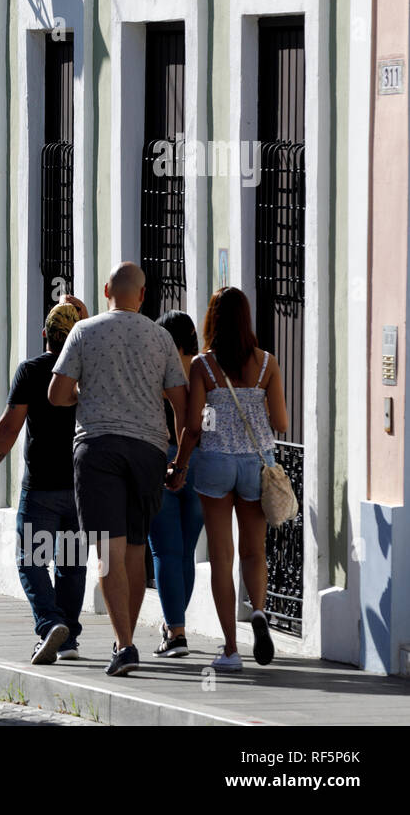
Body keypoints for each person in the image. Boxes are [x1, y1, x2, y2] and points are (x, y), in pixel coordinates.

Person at [48, 262, 188, 676]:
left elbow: (56, 395)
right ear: (142, 296)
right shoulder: (161, 337)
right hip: (148, 450)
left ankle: (125, 645)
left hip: (98, 447)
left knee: (107, 552)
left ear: (107, 289)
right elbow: (181, 405)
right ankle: (122, 640)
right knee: (135, 549)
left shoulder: (84, 331)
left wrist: (83, 392)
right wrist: (180, 461)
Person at [168, 287, 288, 672]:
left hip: (216, 463)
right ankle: (259, 611)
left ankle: (232, 650)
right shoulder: (268, 364)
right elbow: (281, 423)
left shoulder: (203, 366)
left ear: (212, 322)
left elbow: (193, 426)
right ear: (247, 320)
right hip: (256, 463)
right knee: (254, 551)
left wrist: (180, 465)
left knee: (221, 558)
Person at [0, 297, 88, 665]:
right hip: (79, 486)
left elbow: (11, 425)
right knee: (71, 564)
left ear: (44, 334)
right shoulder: (86, 370)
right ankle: (69, 637)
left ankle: (49, 622)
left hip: (41, 487)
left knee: (31, 561)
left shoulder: (31, 370)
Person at [147, 311, 205, 658]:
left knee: (164, 551)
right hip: (200, 461)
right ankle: (174, 625)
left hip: (164, 458)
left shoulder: (159, 371)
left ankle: (176, 631)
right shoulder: (202, 370)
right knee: (185, 552)